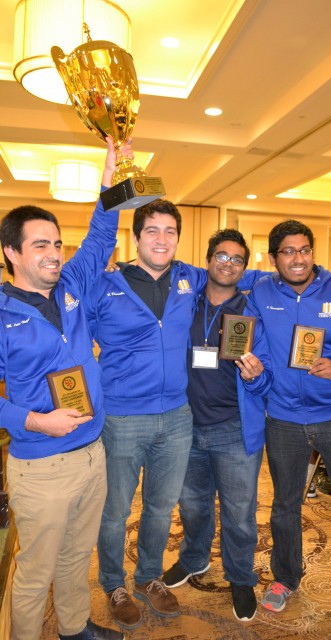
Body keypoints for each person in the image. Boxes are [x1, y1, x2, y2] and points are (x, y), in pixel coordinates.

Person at [84, 201, 266, 630]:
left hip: (178, 418)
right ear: (136, 237)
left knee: (162, 508)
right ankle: (114, 583)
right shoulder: (106, 285)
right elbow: (73, 340)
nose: (161, 239)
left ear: (178, 241)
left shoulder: (190, 278)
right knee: (114, 511)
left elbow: (237, 272)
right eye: (152, 230)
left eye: (169, 231)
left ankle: (148, 577)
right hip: (124, 419)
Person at [0, 138, 128, 640]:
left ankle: (75, 629)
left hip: (91, 454)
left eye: (56, 244)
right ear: (11, 252)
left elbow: (100, 235)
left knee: (79, 554)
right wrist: (34, 421)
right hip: (40, 464)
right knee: (34, 573)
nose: (55, 254)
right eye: (41, 245)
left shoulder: (72, 284)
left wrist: (110, 178)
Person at [245, 219, 331, 613]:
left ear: (313, 252)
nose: (298, 258)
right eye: (288, 251)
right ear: (274, 258)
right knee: (285, 505)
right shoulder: (261, 291)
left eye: (304, 250)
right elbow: (257, 346)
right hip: (284, 418)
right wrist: (257, 377)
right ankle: (286, 577)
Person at [161, 229, 272, 622]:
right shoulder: (185, 302)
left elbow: (268, 375)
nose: (228, 263)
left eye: (237, 259)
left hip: (234, 426)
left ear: (245, 267)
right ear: (207, 260)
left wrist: (256, 376)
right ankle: (194, 558)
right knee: (191, 504)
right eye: (221, 256)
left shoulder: (254, 310)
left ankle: (241, 577)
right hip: (186, 424)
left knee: (240, 511)